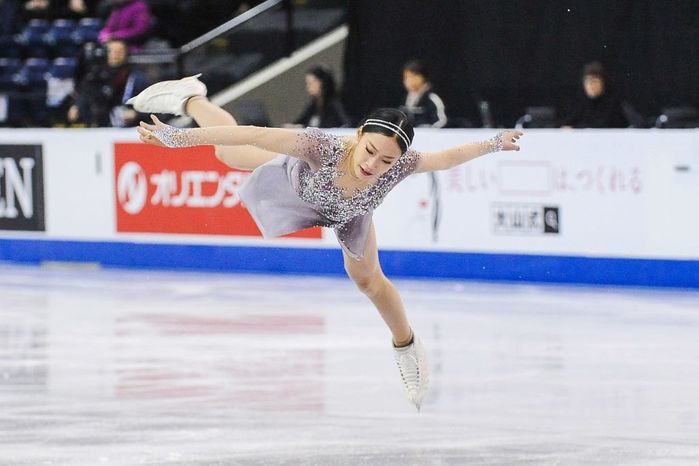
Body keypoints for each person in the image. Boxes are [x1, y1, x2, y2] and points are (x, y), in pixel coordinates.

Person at [127, 76, 523, 410]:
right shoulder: (322, 147)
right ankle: (192, 96)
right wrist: (182, 139)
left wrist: (493, 143)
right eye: (370, 151)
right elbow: (254, 134)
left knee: (369, 282)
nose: (373, 164)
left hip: (350, 214)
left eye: (386, 161)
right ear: (359, 135)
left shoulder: (399, 165)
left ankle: (406, 346)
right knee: (229, 150)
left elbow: (447, 157)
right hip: (294, 185)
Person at [65, 39, 148, 127]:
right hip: (99, 129)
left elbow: (151, 109)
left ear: (126, 54)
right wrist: (77, 106)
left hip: (127, 130)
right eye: (111, 51)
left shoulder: (136, 78)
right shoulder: (94, 76)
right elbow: (85, 96)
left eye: (120, 51)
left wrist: (136, 114)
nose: (116, 54)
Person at [562, 61, 628, 128]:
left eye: (595, 81)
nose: (591, 85)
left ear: (603, 83)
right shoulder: (581, 106)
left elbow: (601, 126)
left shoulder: (614, 105)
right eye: (587, 81)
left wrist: (575, 129)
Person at [400, 59, 448, 128]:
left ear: (423, 77)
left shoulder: (432, 97)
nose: (409, 81)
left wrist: (427, 131)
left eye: (413, 76)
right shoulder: (406, 98)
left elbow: (442, 121)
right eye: (406, 77)